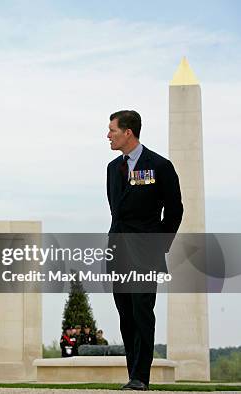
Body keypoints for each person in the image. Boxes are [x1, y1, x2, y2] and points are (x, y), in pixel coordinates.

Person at [106, 110, 183, 391]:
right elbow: (117, 212)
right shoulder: (112, 169)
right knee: (125, 313)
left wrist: (158, 244)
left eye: (112, 130)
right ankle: (133, 375)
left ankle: (141, 377)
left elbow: (175, 210)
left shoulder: (160, 166)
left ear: (128, 132)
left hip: (145, 253)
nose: (108, 135)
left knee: (142, 312)